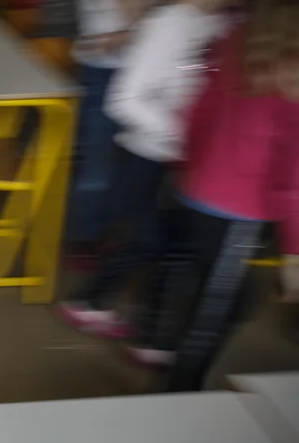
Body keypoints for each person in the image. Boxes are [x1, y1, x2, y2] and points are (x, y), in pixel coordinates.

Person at [125, 0, 299, 391]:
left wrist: (192, 165)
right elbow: (291, 182)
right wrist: (293, 252)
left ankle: (161, 344)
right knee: (215, 310)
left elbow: (196, 111)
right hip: (237, 207)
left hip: (196, 187)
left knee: (212, 285)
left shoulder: (236, 41)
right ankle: (182, 391)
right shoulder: (291, 74)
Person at [56, 0, 232, 337]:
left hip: (195, 158)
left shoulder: (225, 21)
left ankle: (149, 332)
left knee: (173, 245)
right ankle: (90, 302)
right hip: (152, 153)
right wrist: (186, 136)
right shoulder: (171, 23)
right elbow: (125, 100)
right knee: (150, 241)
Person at [65, 0, 151, 263]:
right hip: (105, 71)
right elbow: (108, 40)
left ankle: (101, 232)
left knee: (123, 158)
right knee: (98, 163)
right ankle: (86, 239)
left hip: (134, 69)